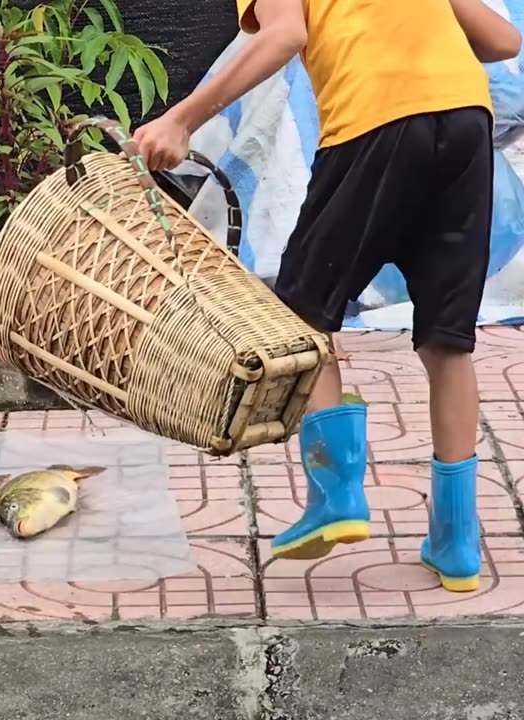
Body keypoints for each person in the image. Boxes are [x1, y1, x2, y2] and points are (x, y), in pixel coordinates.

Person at [133, 0, 521, 592]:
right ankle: (457, 543)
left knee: (301, 317)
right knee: (448, 341)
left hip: (375, 123)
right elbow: (502, 41)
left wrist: (181, 121)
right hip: (466, 123)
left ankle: (335, 495)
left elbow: (285, 34)